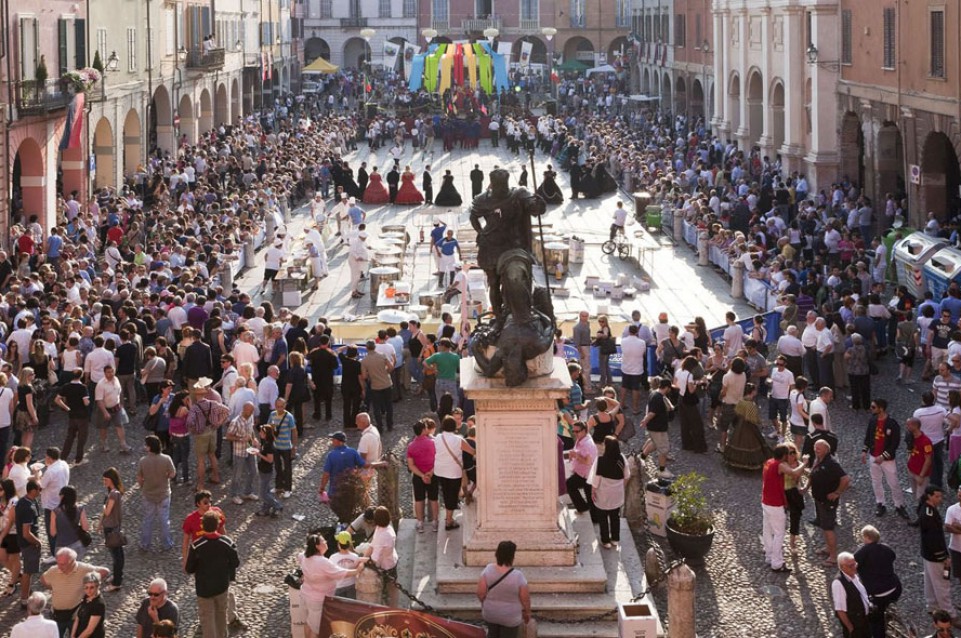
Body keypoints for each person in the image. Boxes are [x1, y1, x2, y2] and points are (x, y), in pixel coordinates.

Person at [298, 532, 368, 638]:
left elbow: (299, 557)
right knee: (316, 630)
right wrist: (357, 570)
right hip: (318, 601)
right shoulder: (322, 562)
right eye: (323, 541)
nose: (326, 542)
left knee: (308, 623)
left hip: (305, 595)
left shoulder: (304, 556)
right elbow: (340, 573)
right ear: (317, 546)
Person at [184, 511, 240, 638]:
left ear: (202, 526)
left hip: (204, 589)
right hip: (222, 586)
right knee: (221, 617)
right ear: (218, 525)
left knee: (207, 621)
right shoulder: (228, 543)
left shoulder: (197, 546)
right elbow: (235, 563)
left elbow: (189, 568)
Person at [40, 547, 110, 638]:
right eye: (58, 563)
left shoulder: (83, 569)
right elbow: (43, 579)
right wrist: (53, 588)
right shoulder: (53, 570)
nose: (60, 567)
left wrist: (90, 586)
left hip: (74, 617)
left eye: (64, 564)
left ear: (73, 561)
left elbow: (105, 571)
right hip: (57, 616)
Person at [861, 399, 909, 519]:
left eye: (873, 407)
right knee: (876, 481)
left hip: (887, 460)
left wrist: (883, 456)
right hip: (873, 457)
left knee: (894, 483)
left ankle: (899, 505)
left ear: (881, 409)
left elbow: (895, 443)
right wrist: (864, 451)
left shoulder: (892, 424)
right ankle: (880, 503)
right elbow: (868, 437)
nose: (871, 409)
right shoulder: (872, 421)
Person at [853, 525, 901, 638]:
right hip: (895, 588)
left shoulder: (863, 551)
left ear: (866, 537)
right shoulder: (885, 548)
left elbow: (853, 564)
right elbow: (893, 556)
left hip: (878, 593)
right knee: (888, 602)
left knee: (875, 620)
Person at [477, 540, 531, 638]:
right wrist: (527, 613)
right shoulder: (518, 576)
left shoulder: (488, 570)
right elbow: (525, 599)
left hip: (490, 614)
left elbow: (480, 594)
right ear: (512, 557)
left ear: (496, 554)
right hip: (510, 618)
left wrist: (488, 605)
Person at [810, 439, 850, 564]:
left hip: (828, 502)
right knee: (824, 526)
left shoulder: (831, 463)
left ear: (826, 450)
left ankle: (833, 556)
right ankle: (828, 548)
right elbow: (813, 475)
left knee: (828, 528)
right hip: (819, 499)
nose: (816, 450)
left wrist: (837, 493)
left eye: (819, 448)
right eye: (815, 447)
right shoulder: (819, 459)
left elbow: (845, 479)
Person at [919, 485, 955, 622]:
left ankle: (932, 605)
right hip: (935, 555)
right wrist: (944, 556)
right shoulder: (929, 514)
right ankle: (949, 613)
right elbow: (935, 538)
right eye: (937, 496)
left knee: (929, 581)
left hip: (927, 553)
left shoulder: (925, 509)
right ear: (929, 496)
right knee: (942, 584)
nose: (940, 499)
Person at [433, 416, 475, 530]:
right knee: (452, 495)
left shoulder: (438, 437)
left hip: (440, 470)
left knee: (446, 494)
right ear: (455, 426)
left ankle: (448, 517)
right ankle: (449, 520)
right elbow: (472, 451)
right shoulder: (459, 440)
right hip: (453, 471)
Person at [136, 435, 176, 552]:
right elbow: (173, 474)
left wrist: (142, 486)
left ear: (149, 447)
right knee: (164, 520)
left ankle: (145, 544)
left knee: (148, 520)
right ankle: (166, 543)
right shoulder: (166, 459)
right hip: (163, 494)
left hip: (148, 494)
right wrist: (166, 477)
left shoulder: (143, 461)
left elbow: (139, 477)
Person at [591, 436, 630, 549]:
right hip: (617, 494)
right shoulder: (622, 458)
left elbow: (596, 480)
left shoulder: (600, 460)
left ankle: (605, 540)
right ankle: (615, 539)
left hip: (603, 494)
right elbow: (627, 476)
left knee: (602, 518)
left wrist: (593, 491)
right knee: (615, 516)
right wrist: (622, 486)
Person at [407, 419, 439, 533]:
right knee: (434, 499)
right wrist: (430, 473)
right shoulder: (433, 443)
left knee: (419, 499)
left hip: (418, 475)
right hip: (432, 474)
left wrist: (421, 475)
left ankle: (420, 523)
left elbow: (411, 465)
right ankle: (435, 522)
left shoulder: (411, 446)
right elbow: (438, 459)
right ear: (424, 429)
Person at [16, 479, 43, 609]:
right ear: (33, 490)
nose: (41, 491)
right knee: (28, 571)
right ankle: (24, 600)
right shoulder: (27, 507)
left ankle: (26, 593)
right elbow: (26, 533)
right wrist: (38, 542)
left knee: (28, 570)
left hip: (23, 542)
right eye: (39, 489)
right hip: (29, 543)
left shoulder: (25, 501)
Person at [318, 431, 365, 504]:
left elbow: (326, 474)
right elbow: (362, 465)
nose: (332, 441)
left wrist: (322, 488)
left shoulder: (331, 455)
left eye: (333, 440)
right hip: (350, 488)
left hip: (335, 490)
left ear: (339, 442)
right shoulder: (353, 452)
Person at [639, 378, 674, 478]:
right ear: (666, 388)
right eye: (669, 388)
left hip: (654, 427)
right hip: (658, 428)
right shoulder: (658, 398)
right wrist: (644, 421)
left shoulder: (654, 393)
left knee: (654, 443)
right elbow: (652, 413)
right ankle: (661, 470)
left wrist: (645, 421)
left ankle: (641, 458)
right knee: (664, 449)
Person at [364, 506, 398, 606]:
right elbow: (372, 544)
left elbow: (374, 559)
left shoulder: (383, 536)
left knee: (389, 588)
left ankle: (392, 607)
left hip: (386, 566)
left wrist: (362, 561)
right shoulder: (384, 528)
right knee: (391, 587)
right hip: (391, 559)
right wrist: (364, 556)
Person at [832, 552, 872, 638]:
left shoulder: (853, 575)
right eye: (851, 566)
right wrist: (850, 628)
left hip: (864, 620)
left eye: (854, 564)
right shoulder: (838, 584)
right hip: (855, 624)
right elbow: (840, 610)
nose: (854, 567)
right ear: (842, 567)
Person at [98, 468, 124, 593]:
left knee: (116, 556)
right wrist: (100, 524)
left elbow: (107, 512)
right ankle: (117, 576)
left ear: (112, 480)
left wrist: (103, 506)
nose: (104, 482)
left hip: (111, 528)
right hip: (113, 526)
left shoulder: (113, 494)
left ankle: (116, 582)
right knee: (118, 554)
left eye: (106, 480)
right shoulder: (113, 492)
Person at [71, 572, 105, 638]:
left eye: (92, 587)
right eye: (86, 588)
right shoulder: (86, 597)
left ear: (98, 586)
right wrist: (72, 635)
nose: (88, 591)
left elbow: (89, 630)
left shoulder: (98, 604)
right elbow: (78, 617)